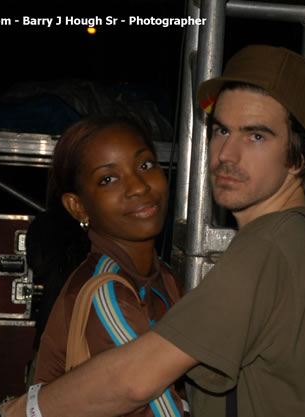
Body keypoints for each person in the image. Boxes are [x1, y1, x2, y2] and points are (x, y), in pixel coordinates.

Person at [0, 44, 305, 417]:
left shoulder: (267, 247)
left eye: (256, 136)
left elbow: (133, 381)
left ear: (300, 157)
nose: (227, 154)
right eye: (221, 130)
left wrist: (21, 411)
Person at [25, 114, 189, 416]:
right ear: (78, 206)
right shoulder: (106, 292)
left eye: (145, 165)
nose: (138, 187)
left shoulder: (161, 275)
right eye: (108, 179)